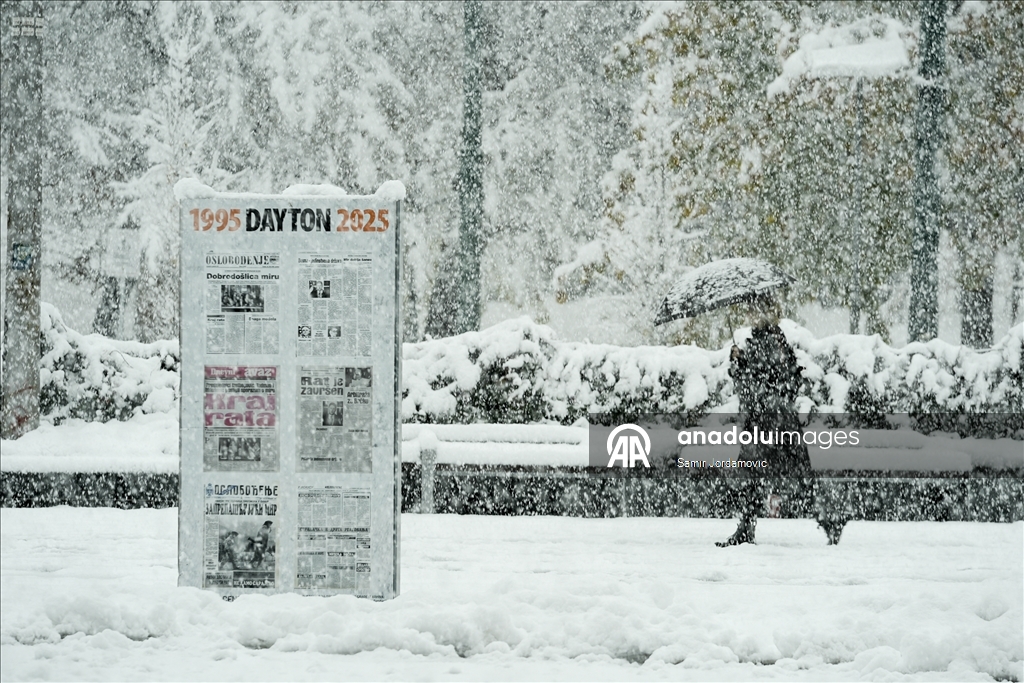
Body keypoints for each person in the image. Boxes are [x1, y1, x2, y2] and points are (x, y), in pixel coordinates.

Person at [717, 296, 845, 546]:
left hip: (770, 424)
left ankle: (828, 518)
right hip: (774, 422)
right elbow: (769, 383)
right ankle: (829, 518)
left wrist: (741, 367)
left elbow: (760, 387)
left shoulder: (768, 342)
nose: (749, 315)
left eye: (753, 311)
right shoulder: (771, 340)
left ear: (765, 313)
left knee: (762, 475)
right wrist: (740, 364)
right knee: (784, 477)